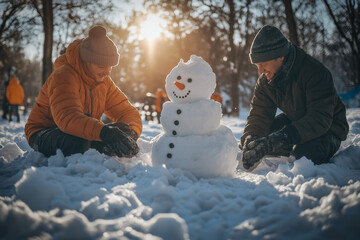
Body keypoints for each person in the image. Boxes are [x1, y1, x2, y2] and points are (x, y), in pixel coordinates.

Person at [240, 25, 349, 170]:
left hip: (329, 127)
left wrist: (280, 139)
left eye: (263, 64)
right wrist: (251, 139)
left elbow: (320, 118)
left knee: (305, 156)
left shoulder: (315, 72)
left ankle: (291, 147)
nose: (260, 71)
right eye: (257, 65)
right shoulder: (266, 80)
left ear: (280, 56)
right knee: (259, 141)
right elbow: (259, 113)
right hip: (296, 119)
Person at [25, 25, 142, 158]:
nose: (107, 71)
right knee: (81, 141)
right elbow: (68, 118)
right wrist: (105, 133)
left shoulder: (104, 81)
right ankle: (99, 149)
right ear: (86, 61)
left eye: (110, 66)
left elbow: (127, 111)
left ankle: (101, 147)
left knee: (123, 129)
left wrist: (131, 133)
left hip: (79, 130)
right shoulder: (63, 76)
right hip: (44, 132)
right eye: (102, 65)